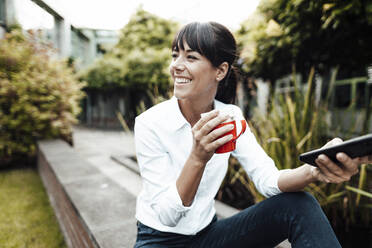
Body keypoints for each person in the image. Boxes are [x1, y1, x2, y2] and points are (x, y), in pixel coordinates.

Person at [133, 22, 372, 248]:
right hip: (159, 240)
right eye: (175, 55)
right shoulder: (150, 123)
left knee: (299, 205)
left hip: (208, 237)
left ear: (220, 70)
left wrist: (314, 170)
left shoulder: (230, 117)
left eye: (191, 57)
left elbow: (267, 180)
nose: (176, 65)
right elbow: (167, 216)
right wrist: (197, 158)